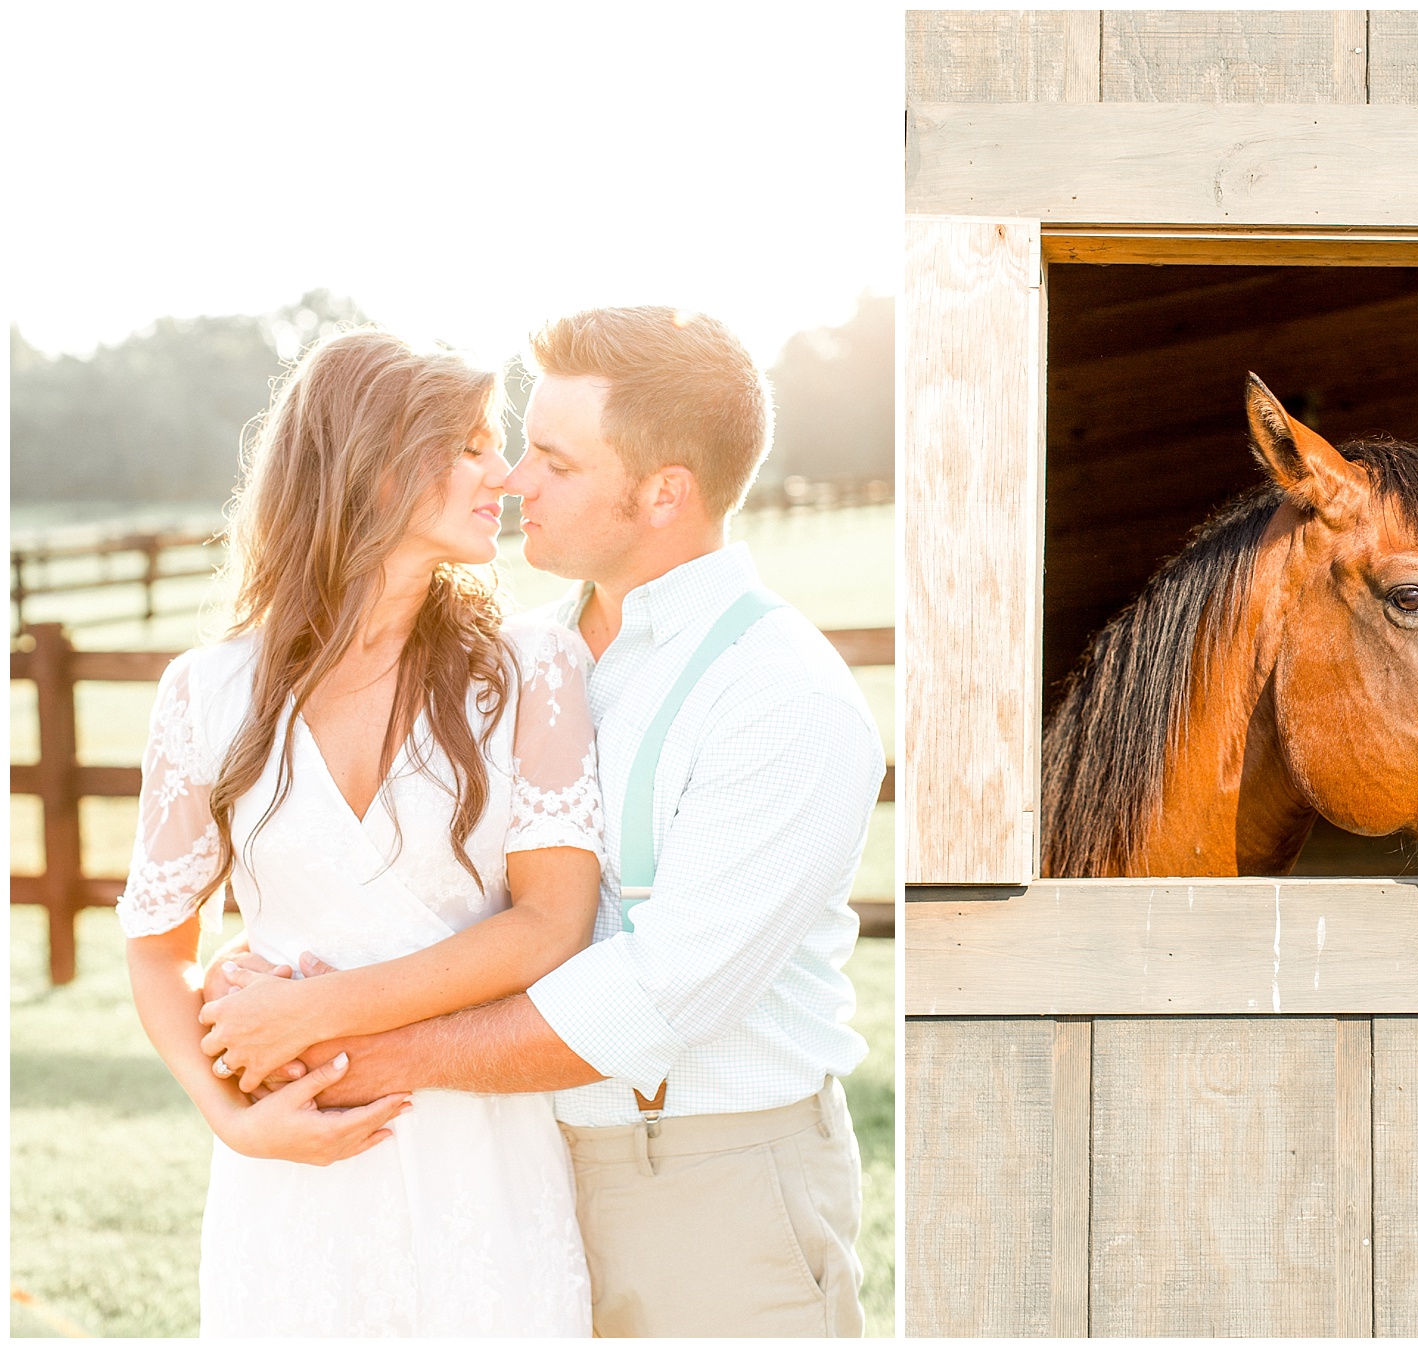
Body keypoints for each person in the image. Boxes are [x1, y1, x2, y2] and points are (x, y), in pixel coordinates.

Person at [210, 306, 885, 1337]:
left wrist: (339, 1046)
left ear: (664, 492)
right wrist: (263, 978)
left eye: (555, 461)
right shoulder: (508, 661)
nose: (515, 477)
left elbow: (655, 997)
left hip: (703, 1187)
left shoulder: (783, 697)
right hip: (512, 1172)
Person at [121, 330, 598, 1337]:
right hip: (293, 1183)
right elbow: (158, 949)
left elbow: (551, 924)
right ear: (376, 467)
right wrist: (237, 1117)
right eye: (469, 445)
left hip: (483, 1161)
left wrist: (316, 1014)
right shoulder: (206, 694)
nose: (503, 473)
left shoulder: (529, 670)